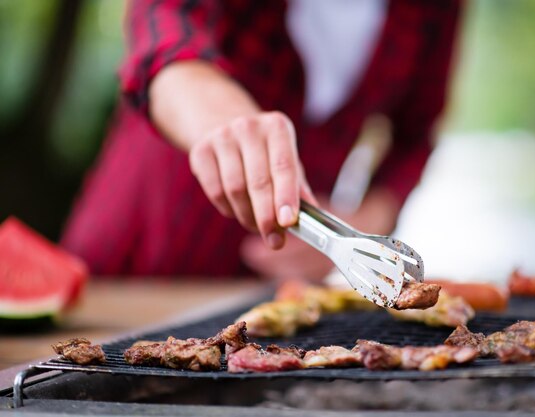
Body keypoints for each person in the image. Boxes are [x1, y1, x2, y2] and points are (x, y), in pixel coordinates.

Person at [61, 0, 462, 280]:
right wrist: (223, 118)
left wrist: (361, 224)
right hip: (133, 257)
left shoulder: (434, 8)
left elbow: (416, 135)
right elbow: (163, 29)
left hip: (265, 295)